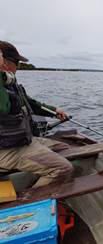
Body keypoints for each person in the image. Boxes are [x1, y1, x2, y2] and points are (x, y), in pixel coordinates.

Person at [0, 41, 73, 188]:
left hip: (21, 141)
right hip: (6, 150)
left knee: (66, 149)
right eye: (17, 62)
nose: (18, 67)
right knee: (63, 168)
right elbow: (3, 107)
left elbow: (30, 103)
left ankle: (38, 180)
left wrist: (54, 111)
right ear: (5, 62)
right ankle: (27, 204)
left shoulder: (11, 84)